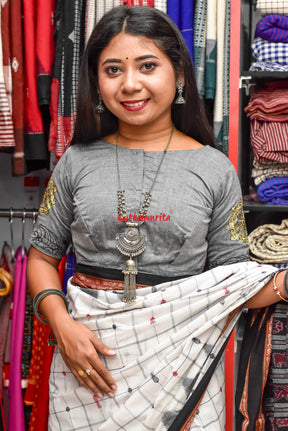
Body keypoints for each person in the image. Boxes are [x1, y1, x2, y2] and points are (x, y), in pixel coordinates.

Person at [26, 6, 288, 431]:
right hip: (84, 370)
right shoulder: (75, 161)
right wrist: (60, 323)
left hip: (182, 374)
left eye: (147, 66)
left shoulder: (214, 168)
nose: (130, 84)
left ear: (179, 73)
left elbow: (234, 282)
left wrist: (282, 283)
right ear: (96, 81)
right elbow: (40, 259)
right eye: (113, 69)